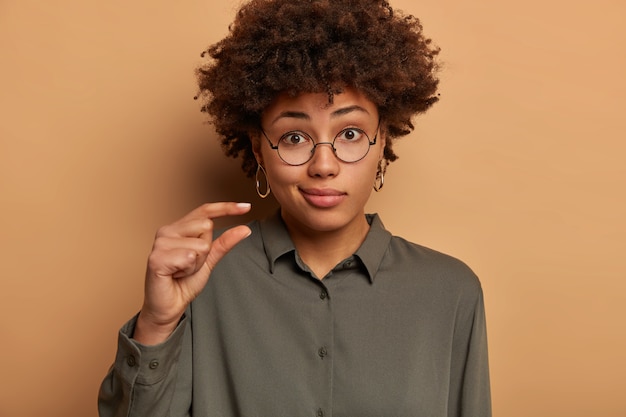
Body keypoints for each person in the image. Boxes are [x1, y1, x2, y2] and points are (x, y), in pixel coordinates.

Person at [98, 0, 491, 416]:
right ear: (259, 150)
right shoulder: (202, 280)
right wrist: (158, 326)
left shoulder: (451, 293)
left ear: (382, 143)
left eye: (351, 133)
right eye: (295, 138)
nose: (324, 165)